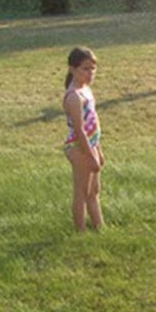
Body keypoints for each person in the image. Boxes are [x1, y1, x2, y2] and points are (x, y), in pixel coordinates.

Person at [63, 46, 104, 232]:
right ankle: (81, 232)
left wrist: (99, 150)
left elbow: (93, 125)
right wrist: (90, 155)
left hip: (91, 145)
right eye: (85, 69)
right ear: (72, 69)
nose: (90, 73)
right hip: (79, 147)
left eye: (93, 69)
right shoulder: (74, 97)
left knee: (94, 191)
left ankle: (99, 227)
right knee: (81, 192)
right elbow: (79, 130)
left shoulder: (86, 90)